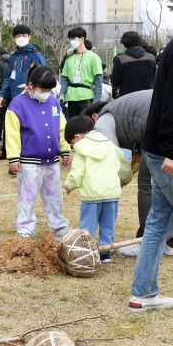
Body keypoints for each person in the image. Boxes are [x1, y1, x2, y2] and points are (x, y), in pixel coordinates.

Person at [81, 91, 173, 257]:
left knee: (147, 184)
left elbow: (109, 155)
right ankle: (168, 241)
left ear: (94, 117)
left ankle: (146, 240)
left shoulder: (103, 120)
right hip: (162, 118)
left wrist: (120, 178)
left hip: (160, 126)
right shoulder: (120, 108)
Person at [128, 37, 173, 311]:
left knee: (157, 223)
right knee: (158, 224)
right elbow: (171, 104)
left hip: (157, 148)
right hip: (166, 152)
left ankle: (143, 294)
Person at [6, 65, 71, 238]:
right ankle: (25, 231)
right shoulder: (17, 104)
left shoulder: (53, 101)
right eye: (42, 89)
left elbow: (62, 127)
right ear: (31, 85)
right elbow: (12, 133)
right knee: (27, 197)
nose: (46, 92)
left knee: (55, 196)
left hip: (52, 160)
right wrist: (13, 158)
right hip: (29, 162)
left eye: (49, 90)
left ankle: (59, 227)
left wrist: (65, 150)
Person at [63, 115, 133, 263]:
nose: (73, 146)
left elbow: (77, 173)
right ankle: (105, 253)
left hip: (91, 195)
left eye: (72, 143)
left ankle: (86, 251)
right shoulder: (111, 145)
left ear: (77, 137)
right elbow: (124, 164)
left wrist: (69, 185)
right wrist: (126, 178)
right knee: (108, 225)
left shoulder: (81, 149)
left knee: (87, 226)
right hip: (111, 193)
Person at [0, 25, 47, 109]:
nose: (21, 38)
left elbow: (44, 76)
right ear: (14, 39)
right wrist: (2, 95)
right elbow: (8, 78)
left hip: (32, 98)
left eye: (24, 36)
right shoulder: (13, 57)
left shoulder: (35, 55)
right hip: (16, 98)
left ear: (29, 37)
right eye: (18, 36)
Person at [60, 27, 103, 118]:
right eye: (70, 39)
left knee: (86, 123)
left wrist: (97, 100)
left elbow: (98, 80)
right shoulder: (69, 58)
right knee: (73, 124)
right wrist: (62, 94)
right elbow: (64, 79)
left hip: (86, 97)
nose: (72, 41)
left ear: (82, 39)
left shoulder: (93, 57)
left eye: (74, 38)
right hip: (71, 97)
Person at [111, 31, 156, 99]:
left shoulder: (120, 60)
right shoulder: (151, 58)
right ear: (139, 41)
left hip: (126, 99)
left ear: (124, 44)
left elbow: (115, 82)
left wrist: (115, 95)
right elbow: (153, 79)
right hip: (147, 98)